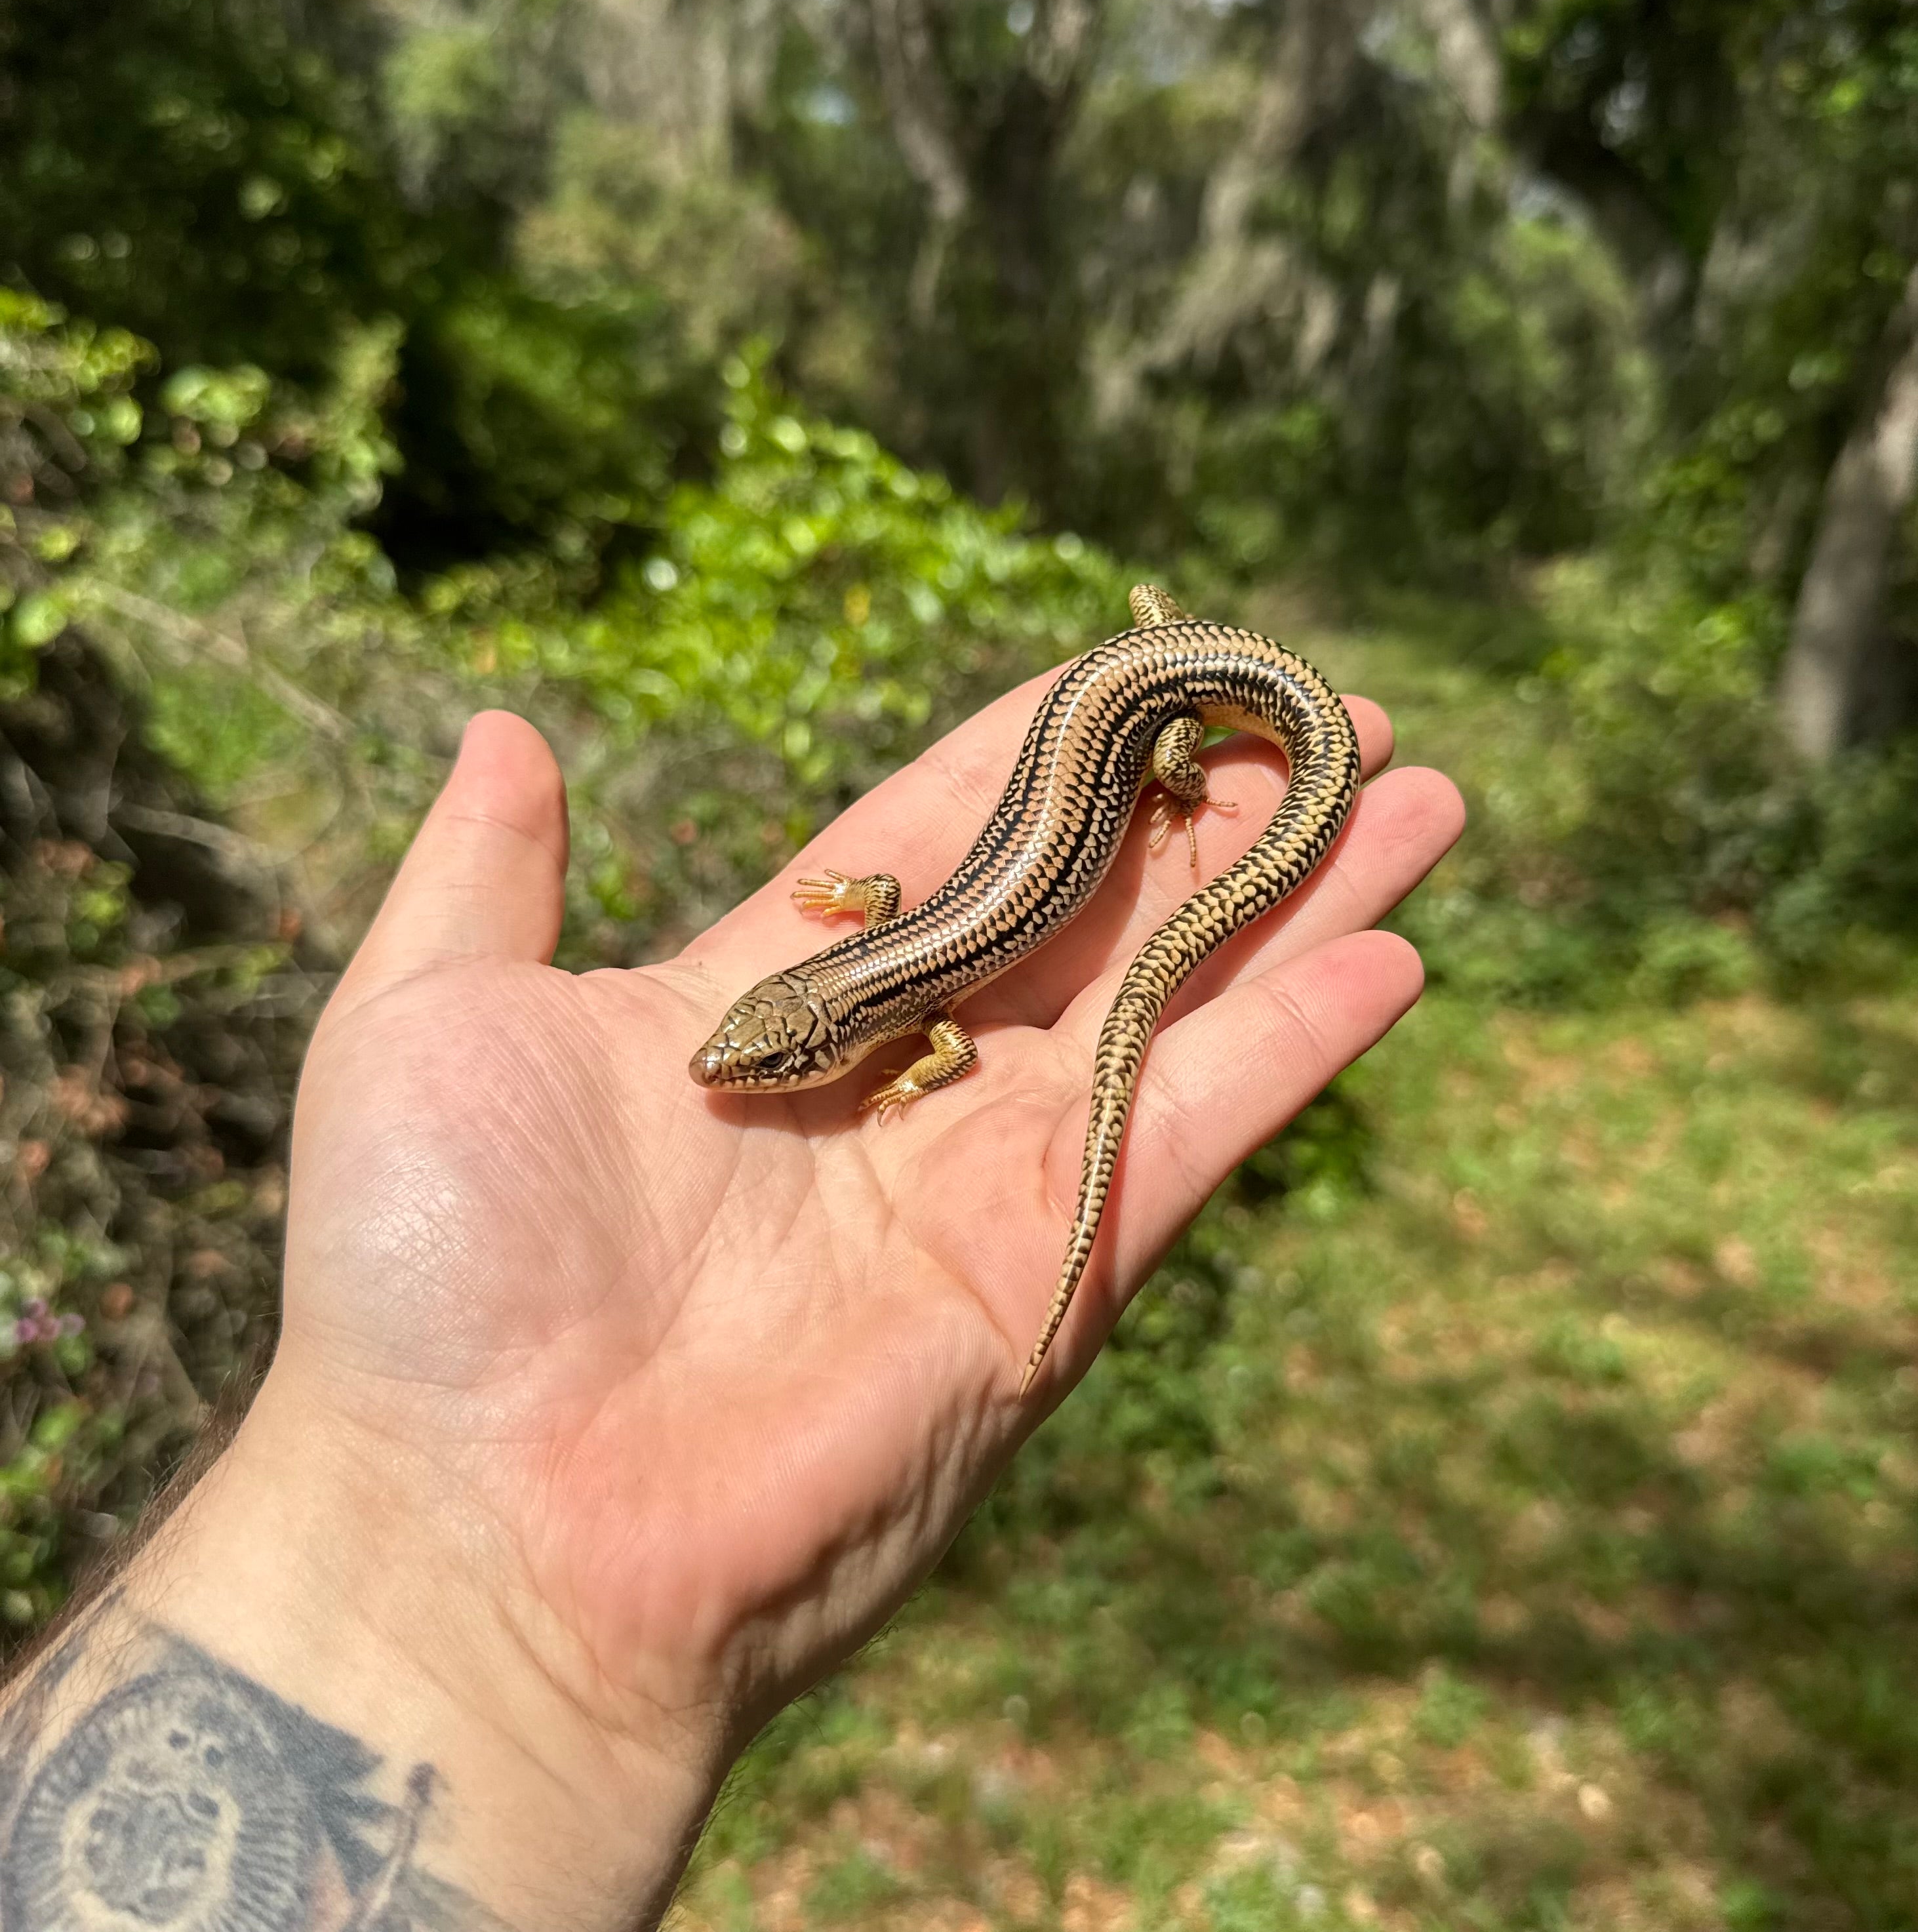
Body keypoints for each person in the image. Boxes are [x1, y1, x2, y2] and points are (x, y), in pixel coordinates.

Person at [0, 672, 1462, 1929]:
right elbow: (909, 949)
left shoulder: (901, 1000)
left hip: (1155, 708)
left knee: (1174, 828)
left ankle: (1179, 720)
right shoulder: (886, 976)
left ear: (825, 1021)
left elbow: (931, 1004)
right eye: (765, 1056)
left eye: (766, 1063)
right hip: (1131, 712)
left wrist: (1172, 768)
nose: (739, 1075)